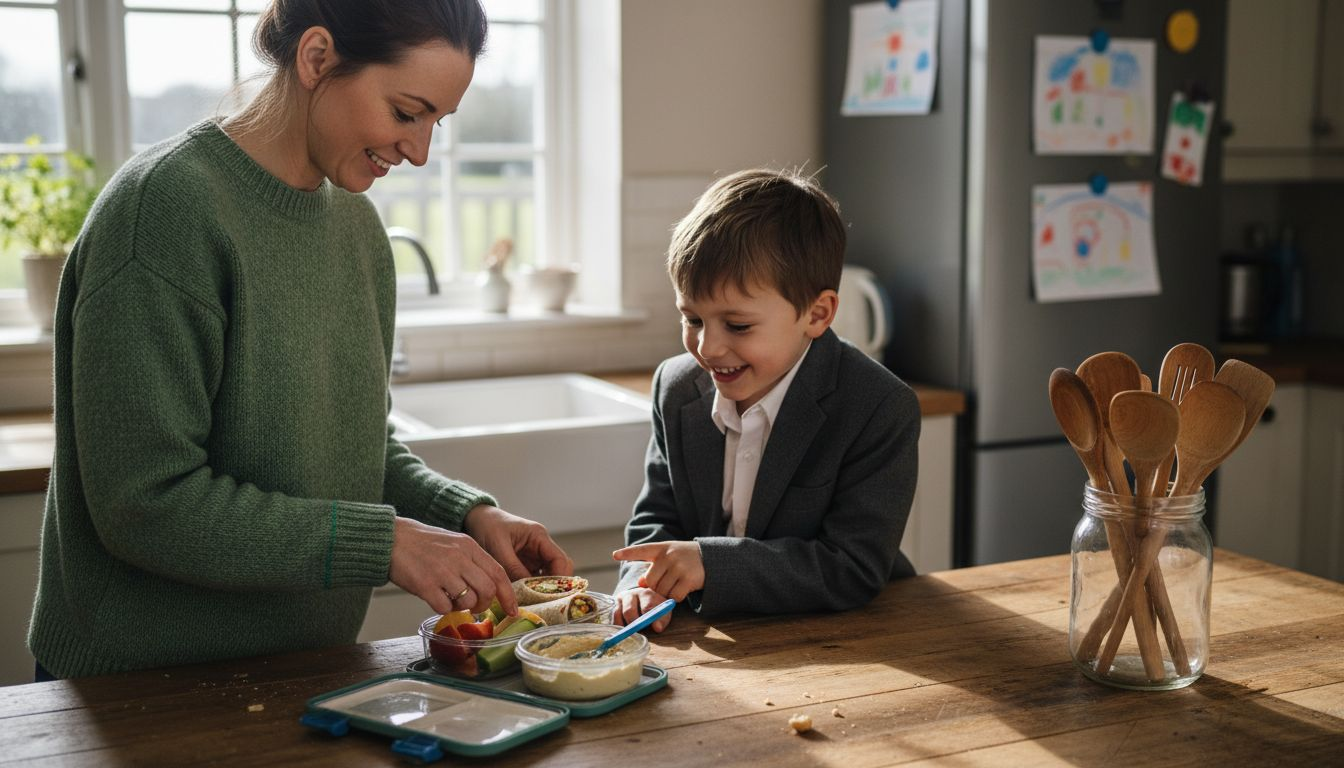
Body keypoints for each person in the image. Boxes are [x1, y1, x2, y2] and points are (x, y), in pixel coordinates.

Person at [27, 0, 572, 681]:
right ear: (317, 58)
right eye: (407, 111)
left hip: (306, 672)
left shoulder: (357, 230)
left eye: (437, 120)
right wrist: (387, 544)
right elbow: (144, 505)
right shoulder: (163, 212)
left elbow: (345, 447)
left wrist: (465, 514)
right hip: (140, 689)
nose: (421, 149)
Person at [610, 168, 920, 632]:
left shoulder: (879, 406)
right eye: (692, 318)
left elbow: (852, 567)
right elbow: (658, 517)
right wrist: (642, 581)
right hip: (726, 639)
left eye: (737, 326)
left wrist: (710, 563)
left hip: (854, 638)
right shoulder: (675, 389)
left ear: (817, 314)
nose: (708, 347)